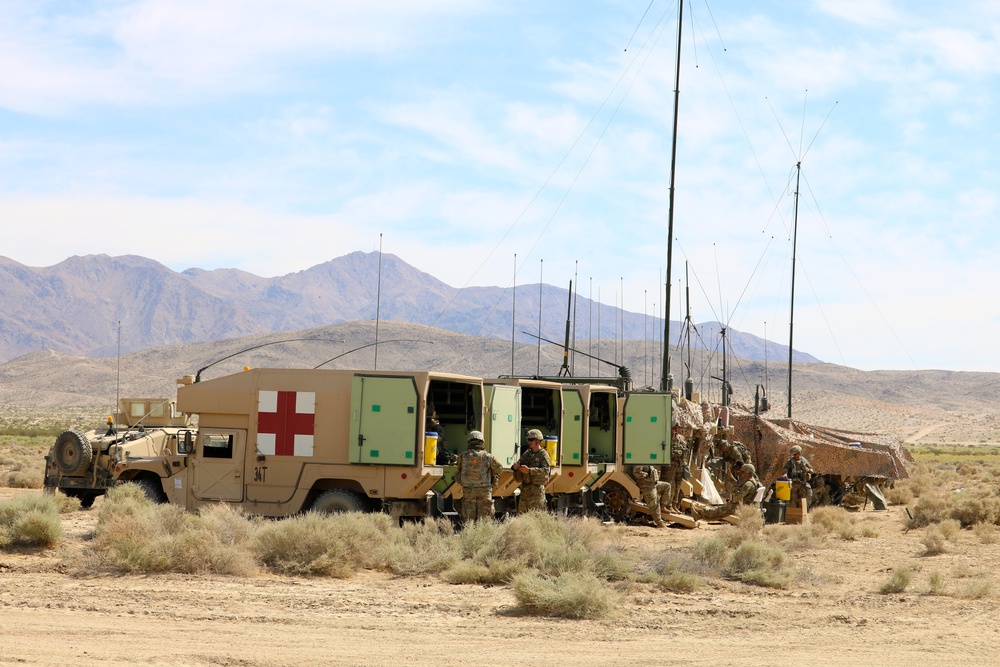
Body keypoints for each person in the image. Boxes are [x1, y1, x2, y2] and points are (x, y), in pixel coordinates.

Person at [455, 430, 503, 523]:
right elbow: (499, 469)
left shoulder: (462, 456)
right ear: (481, 442)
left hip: (468, 490)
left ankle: (469, 536)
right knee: (485, 519)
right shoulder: (488, 457)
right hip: (484, 491)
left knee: (468, 520)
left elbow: (458, 467)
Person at [692, 463, 761, 521]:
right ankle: (699, 515)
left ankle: (701, 512)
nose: (742, 474)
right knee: (721, 513)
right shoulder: (752, 481)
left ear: (748, 472)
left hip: (742, 505)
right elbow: (738, 485)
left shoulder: (748, 484)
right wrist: (730, 476)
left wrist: (732, 501)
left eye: (743, 472)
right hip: (745, 504)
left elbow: (740, 496)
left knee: (719, 511)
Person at [512, 429, 551, 513]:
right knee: (522, 517)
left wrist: (530, 471)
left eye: (531, 440)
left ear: (538, 441)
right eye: (528, 440)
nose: (529, 442)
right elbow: (520, 463)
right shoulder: (527, 454)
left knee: (536, 517)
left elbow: (546, 470)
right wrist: (516, 468)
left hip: (536, 492)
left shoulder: (543, 454)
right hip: (525, 491)